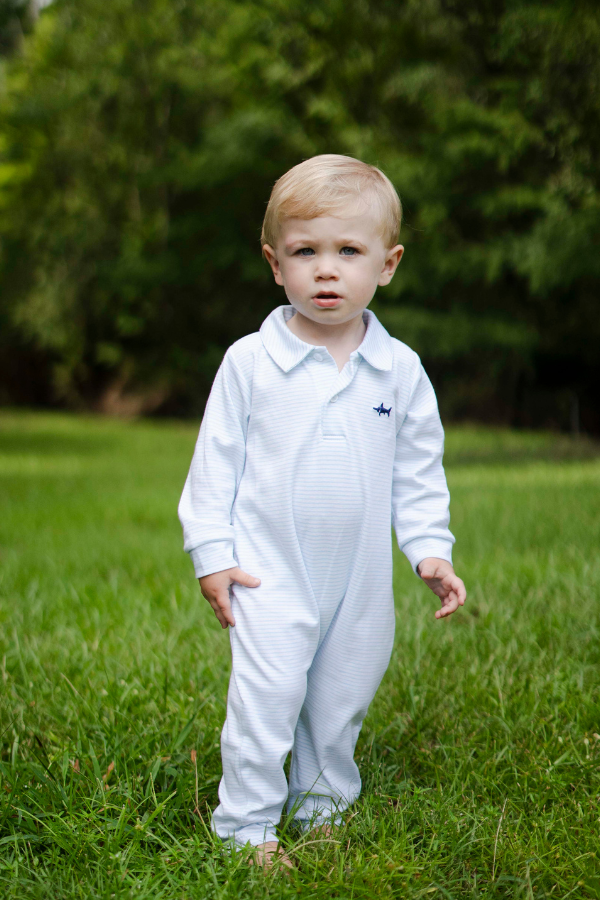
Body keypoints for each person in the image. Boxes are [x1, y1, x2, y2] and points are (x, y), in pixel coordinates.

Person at [178, 154, 466, 868]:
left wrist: (430, 548)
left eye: (348, 251)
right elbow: (214, 464)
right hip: (268, 572)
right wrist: (212, 553)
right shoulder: (250, 362)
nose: (327, 270)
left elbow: (417, 468)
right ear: (276, 265)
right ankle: (247, 825)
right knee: (268, 695)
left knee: (343, 692)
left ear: (388, 263)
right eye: (306, 252)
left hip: (360, 579)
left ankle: (323, 803)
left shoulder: (399, 370)